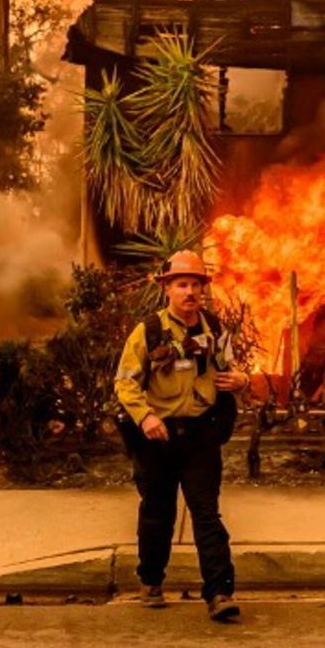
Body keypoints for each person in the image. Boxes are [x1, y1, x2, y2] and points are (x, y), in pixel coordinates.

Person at [115, 250, 250, 623]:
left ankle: (219, 593)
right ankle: (151, 581)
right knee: (158, 512)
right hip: (157, 438)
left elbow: (231, 369)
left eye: (195, 284)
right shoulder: (148, 332)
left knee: (207, 514)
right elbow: (125, 384)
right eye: (182, 284)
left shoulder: (214, 329)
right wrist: (144, 418)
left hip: (200, 437)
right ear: (167, 289)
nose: (190, 291)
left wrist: (241, 380)